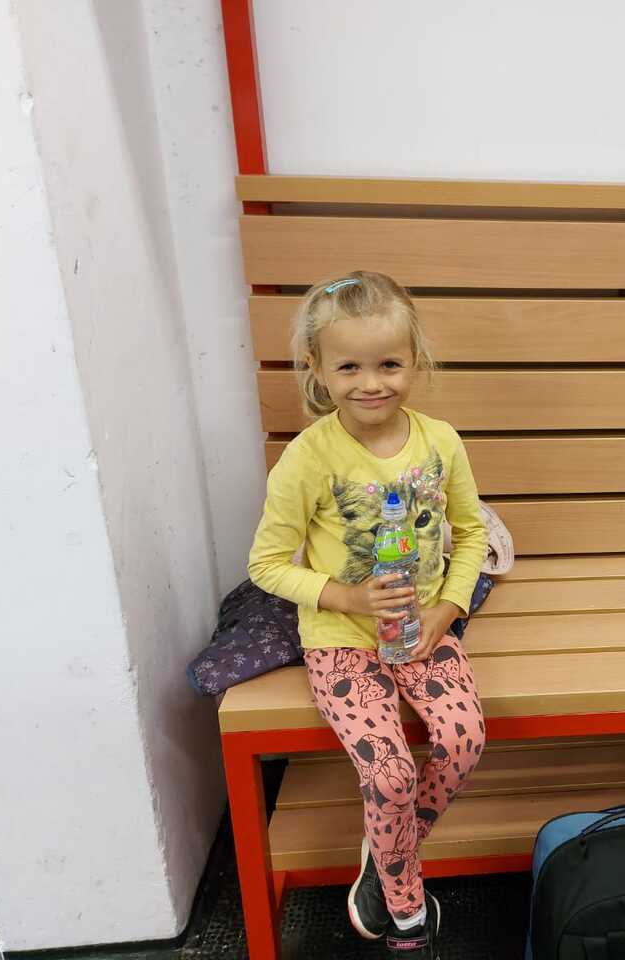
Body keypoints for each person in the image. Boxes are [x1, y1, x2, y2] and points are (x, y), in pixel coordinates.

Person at [248, 271, 487, 960]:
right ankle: (406, 913)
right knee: (390, 776)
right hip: (340, 640)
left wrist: (449, 607)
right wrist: (347, 597)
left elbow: (472, 533)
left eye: (389, 364)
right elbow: (267, 565)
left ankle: (384, 852)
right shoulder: (308, 457)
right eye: (349, 367)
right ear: (317, 368)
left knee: (464, 741)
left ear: (415, 361)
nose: (371, 383)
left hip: (425, 631)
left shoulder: (441, 441)